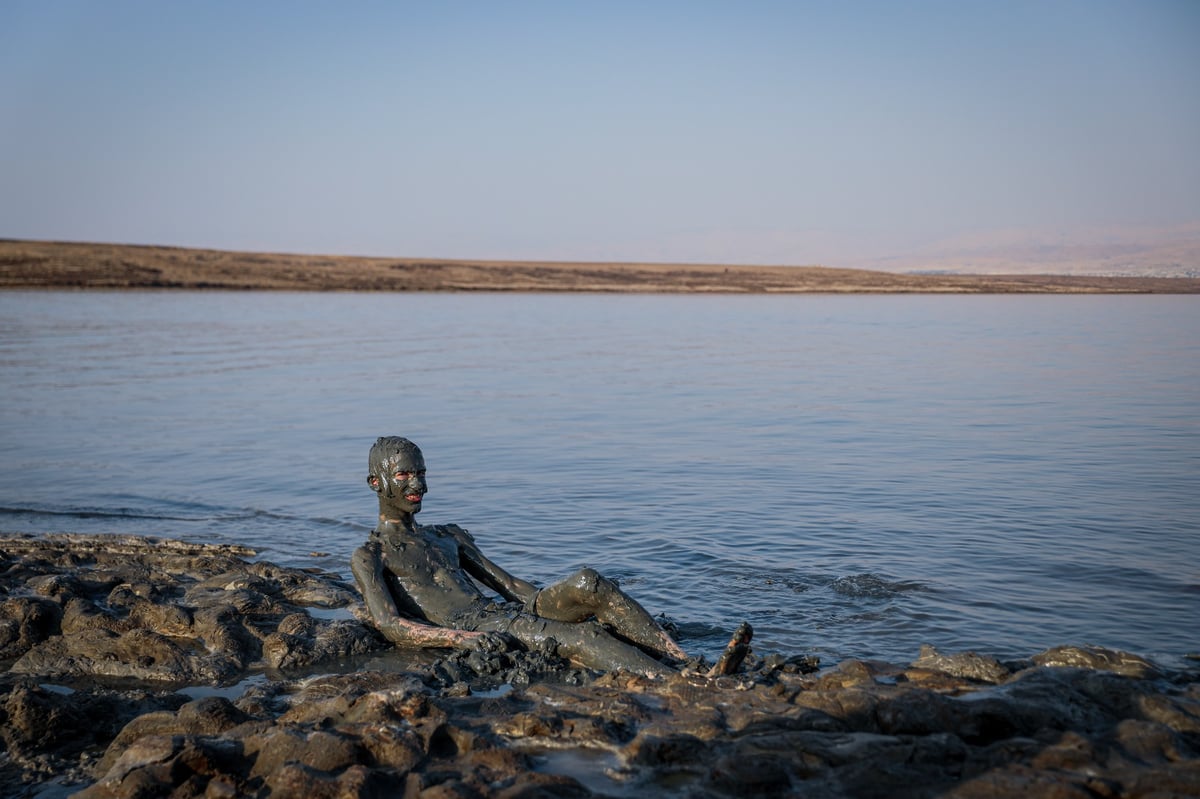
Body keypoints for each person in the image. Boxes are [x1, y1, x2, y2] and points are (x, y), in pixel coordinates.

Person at [351, 436, 751, 677]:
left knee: (588, 581)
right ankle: (676, 683)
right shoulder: (371, 555)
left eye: (420, 472)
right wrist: (465, 639)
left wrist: (562, 604)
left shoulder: (449, 536)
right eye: (403, 475)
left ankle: (680, 660)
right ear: (376, 482)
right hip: (478, 627)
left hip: (506, 613)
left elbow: (507, 585)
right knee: (583, 636)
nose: (416, 483)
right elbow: (391, 625)